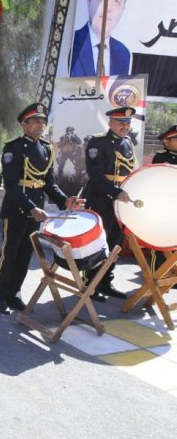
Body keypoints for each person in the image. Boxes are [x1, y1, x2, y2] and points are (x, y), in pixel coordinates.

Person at [0, 103, 83, 314]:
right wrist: (31, 207)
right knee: (10, 253)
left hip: (36, 212)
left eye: (43, 121)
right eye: (35, 121)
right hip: (17, 209)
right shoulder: (14, 148)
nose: (41, 125)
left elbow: (48, 183)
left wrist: (65, 201)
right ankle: (0, 295)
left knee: (25, 254)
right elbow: (11, 185)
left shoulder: (46, 148)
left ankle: (15, 293)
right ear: (24, 124)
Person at [80, 106, 136, 301]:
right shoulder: (98, 142)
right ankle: (90, 284)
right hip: (100, 199)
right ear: (110, 123)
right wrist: (116, 192)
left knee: (114, 243)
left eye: (128, 123)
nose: (125, 126)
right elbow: (95, 175)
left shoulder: (127, 143)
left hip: (120, 202)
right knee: (97, 244)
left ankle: (105, 281)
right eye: (121, 122)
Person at [70, 0, 131, 77]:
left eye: (117, 1)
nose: (109, 8)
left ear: (122, 10)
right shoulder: (70, 43)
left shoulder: (123, 54)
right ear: (89, 0)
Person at [150, 125, 177, 277]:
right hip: (163, 208)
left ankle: (173, 278)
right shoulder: (160, 158)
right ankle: (157, 276)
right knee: (161, 244)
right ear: (166, 142)